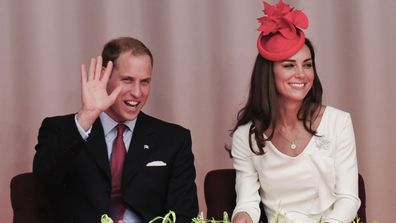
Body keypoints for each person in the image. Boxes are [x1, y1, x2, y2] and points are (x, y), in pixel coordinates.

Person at [33, 37, 199, 223]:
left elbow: (185, 214)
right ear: (105, 76)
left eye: (144, 82)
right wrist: (87, 115)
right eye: (127, 80)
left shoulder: (174, 139)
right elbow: (44, 177)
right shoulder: (61, 129)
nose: (137, 93)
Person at [231, 1, 360, 223]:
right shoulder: (246, 136)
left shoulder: (338, 122)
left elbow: (348, 198)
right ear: (269, 73)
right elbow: (247, 202)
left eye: (307, 65)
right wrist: (242, 216)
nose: (302, 74)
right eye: (289, 65)